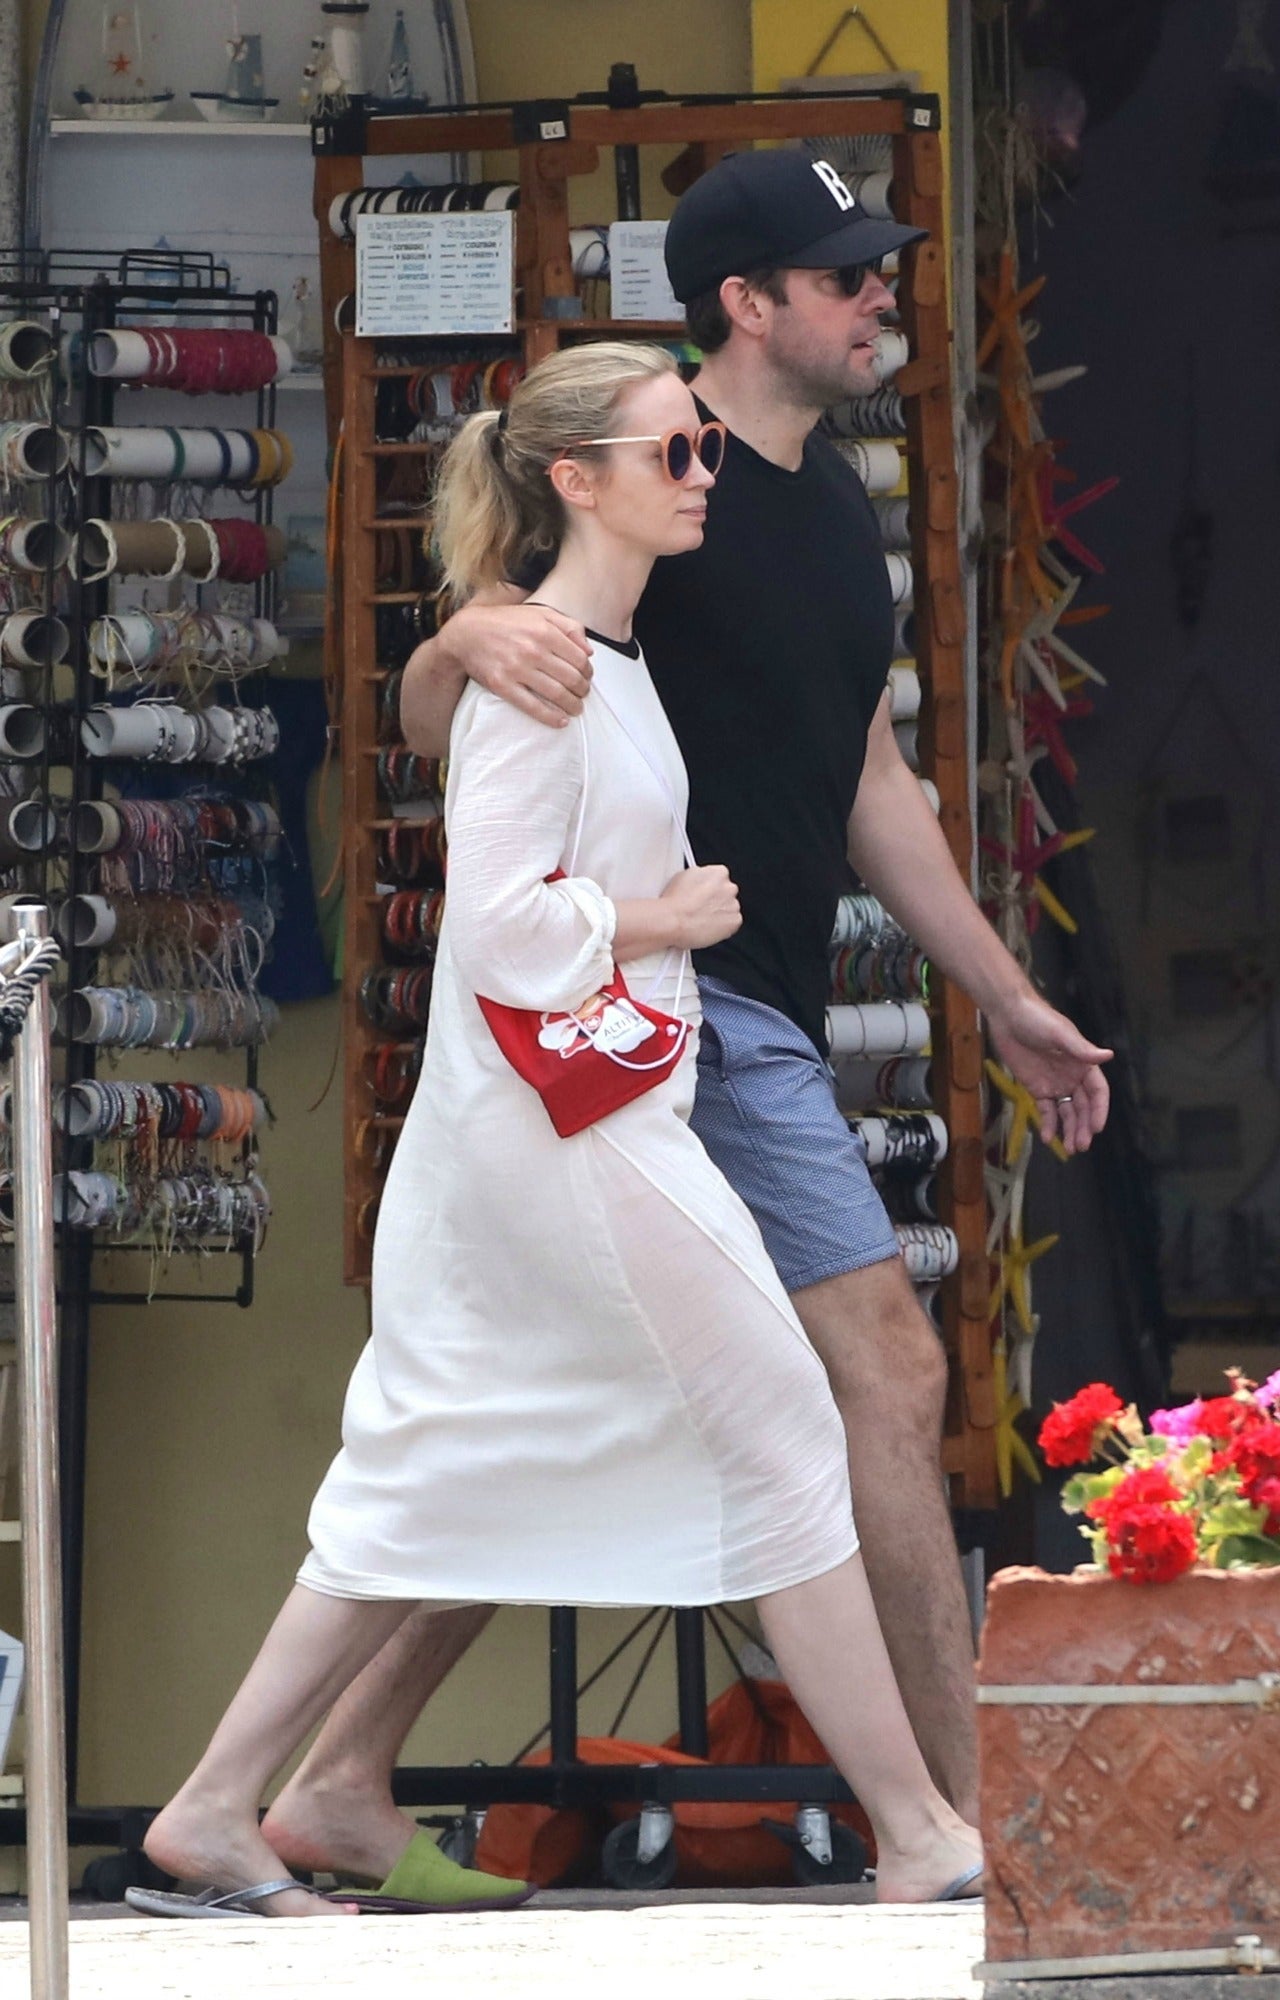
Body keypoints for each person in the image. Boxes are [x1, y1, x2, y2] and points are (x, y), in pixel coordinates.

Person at [260, 150, 1113, 1904]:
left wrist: (1008, 996)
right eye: (847, 275)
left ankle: (331, 1773)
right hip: (675, 1013)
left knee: (586, 1402)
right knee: (886, 1373)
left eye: (878, 268)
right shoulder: (658, 474)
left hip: (745, 1001)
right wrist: (465, 641)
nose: (881, 297)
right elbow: (452, 686)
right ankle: (958, 1823)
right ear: (748, 301)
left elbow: (872, 780)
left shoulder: (824, 507)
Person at [134, 341, 983, 1919]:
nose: (703, 475)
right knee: (785, 1428)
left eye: (703, 447)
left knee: (439, 1464)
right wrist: (664, 917)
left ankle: (213, 1805)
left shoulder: (605, 655)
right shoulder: (548, 669)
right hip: (577, 1133)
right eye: (673, 453)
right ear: (576, 480)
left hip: (567, 1119)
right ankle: (920, 1830)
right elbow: (500, 930)